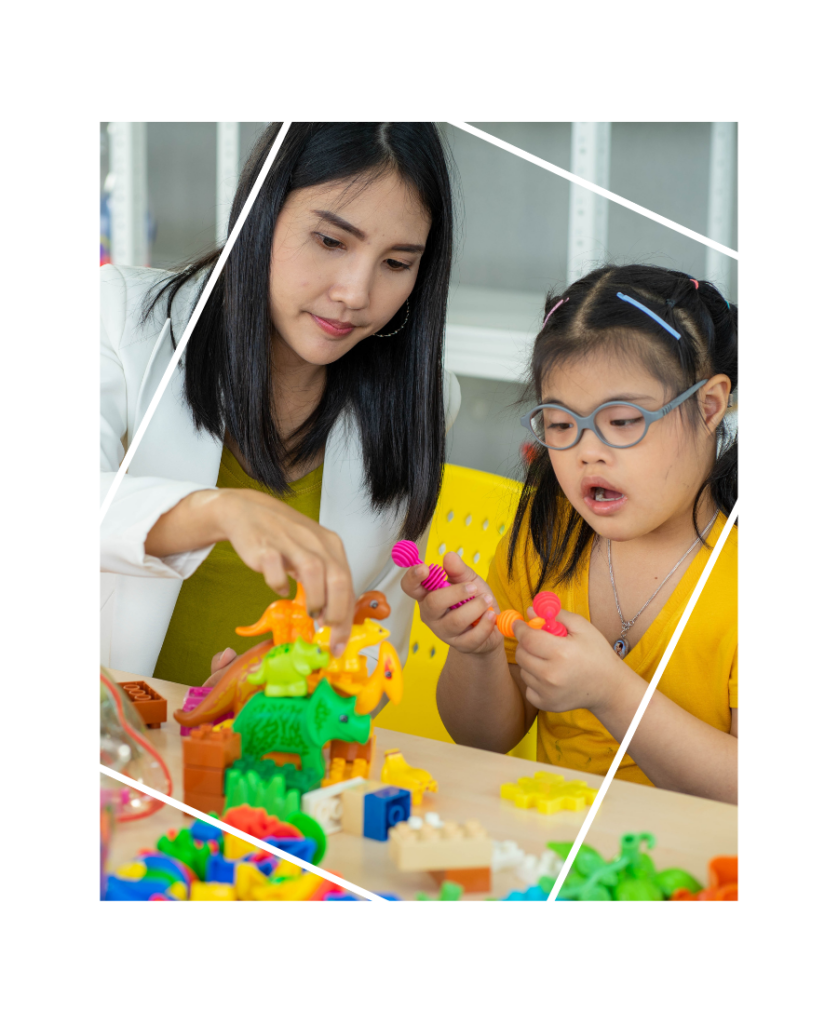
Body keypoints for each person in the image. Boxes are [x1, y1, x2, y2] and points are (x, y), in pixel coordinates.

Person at [99, 120, 461, 692]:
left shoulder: (421, 398)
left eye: (397, 263)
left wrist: (297, 698)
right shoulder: (122, 316)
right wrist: (219, 512)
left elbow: (372, 637)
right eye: (331, 241)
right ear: (260, 214)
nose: (356, 294)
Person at [400, 265, 739, 805]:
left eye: (623, 420)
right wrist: (479, 650)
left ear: (708, 405)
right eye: (560, 424)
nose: (587, 451)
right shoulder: (545, 537)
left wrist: (611, 692)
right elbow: (483, 738)